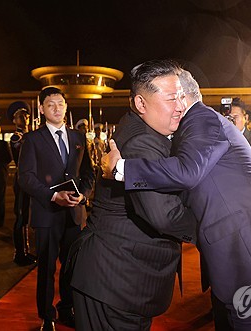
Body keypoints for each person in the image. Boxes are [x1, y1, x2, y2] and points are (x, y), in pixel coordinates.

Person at [103, 65, 251, 330]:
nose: (174, 105)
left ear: (184, 94)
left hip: (246, 250)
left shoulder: (202, 119)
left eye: (174, 95)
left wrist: (121, 168)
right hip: (238, 248)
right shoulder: (196, 123)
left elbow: (187, 171)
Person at [69, 59, 196, 331]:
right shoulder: (144, 141)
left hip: (118, 276)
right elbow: (164, 215)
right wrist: (213, 229)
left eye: (182, 97)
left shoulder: (144, 128)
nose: (180, 106)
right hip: (115, 278)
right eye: (171, 98)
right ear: (141, 104)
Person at [18, 87, 95, 331]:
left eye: (60, 103)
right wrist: (53, 196)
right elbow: (26, 178)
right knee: (47, 269)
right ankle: (47, 317)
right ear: (41, 109)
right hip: (46, 214)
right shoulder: (32, 139)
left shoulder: (78, 138)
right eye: (51, 104)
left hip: (74, 214)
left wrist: (84, 194)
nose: (57, 108)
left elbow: (88, 173)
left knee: (72, 267)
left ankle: (66, 309)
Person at [8, 101, 37, 266]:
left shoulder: (30, 135)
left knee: (28, 217)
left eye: (25, 115)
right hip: (22, 180)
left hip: (33, 180)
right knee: (21, 216)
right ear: (14, 120)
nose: (24, 118)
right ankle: (20, 253)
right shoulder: (17, 137)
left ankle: (27, 250)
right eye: (20, 116)